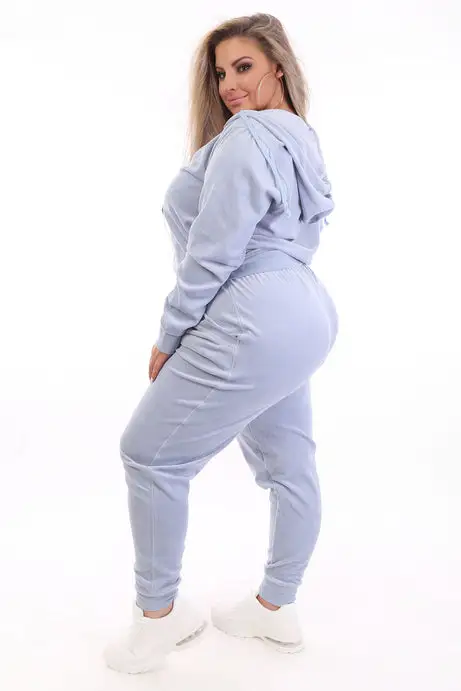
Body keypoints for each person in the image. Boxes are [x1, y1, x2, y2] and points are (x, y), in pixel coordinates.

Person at [104, 12, 339, 674]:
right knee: (289, 464)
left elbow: (213, 253)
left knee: (149, 455)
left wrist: (171, 332)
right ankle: (276, 607)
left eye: (243, 67)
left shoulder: (246, 138)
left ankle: (157, 621)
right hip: (307, 310)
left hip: (253, 308)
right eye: (219, 73)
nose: (229, 84)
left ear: (277, 67)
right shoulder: (302, 138)